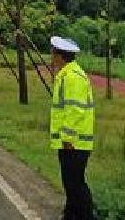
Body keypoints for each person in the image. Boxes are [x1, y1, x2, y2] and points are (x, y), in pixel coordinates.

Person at [50, 36, 95, 220]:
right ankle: (71, 214)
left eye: (53, 53)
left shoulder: (72, 78)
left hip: (75, 142)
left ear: (60, 56)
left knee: (75, 184)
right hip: (70, 141)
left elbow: (74, 110)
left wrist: (68, 137)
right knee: (70, 183)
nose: (51, 57)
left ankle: (86, 216)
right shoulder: (67, 75)